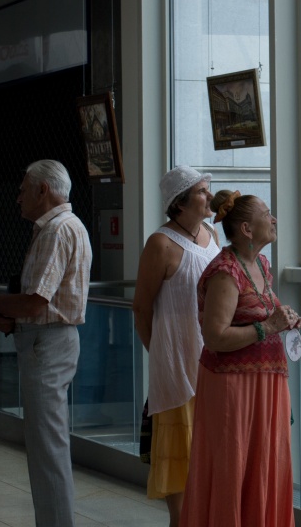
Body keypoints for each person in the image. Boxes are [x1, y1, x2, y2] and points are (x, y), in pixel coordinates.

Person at [180, 191, 301, 527]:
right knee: (234, 470)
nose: (274, 219)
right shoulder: (226, 272)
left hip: (267, 385)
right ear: (247, 229)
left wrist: (285, 318)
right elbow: (215, 337)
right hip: (235, 389)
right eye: (268, 214)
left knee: (264, 466)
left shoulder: (261, 264)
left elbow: (264, 310)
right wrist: (269, 327)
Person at [0, 160, 91, 527]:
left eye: (23, 190)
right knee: (48, 445)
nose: (18, 198)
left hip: (48, 343)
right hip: (48, 339)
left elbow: (35, 302)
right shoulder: (63, 226)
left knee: (48, 449)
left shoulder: (56, 230)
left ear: (43, 190)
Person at [132, 167, 219, 527]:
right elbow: (141, 307)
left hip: (210, 365)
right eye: (201, 191)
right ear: (180, 203)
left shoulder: (212, 235)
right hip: (176, 370)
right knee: (180, 472)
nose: (209, 196)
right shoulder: (161, 243)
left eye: (208, 189)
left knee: (209, 463)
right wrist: (161, 356)